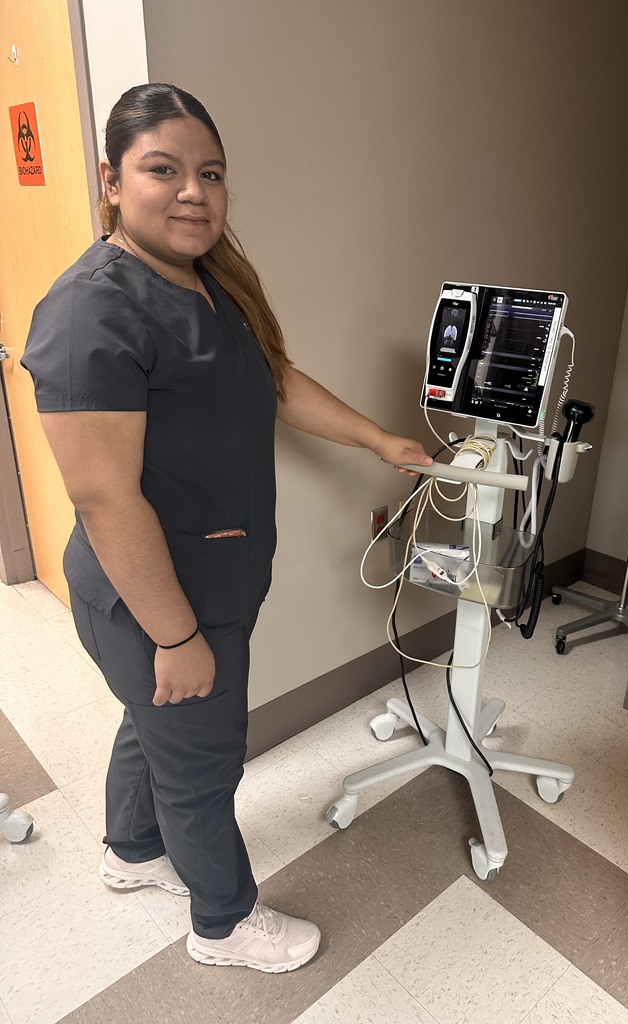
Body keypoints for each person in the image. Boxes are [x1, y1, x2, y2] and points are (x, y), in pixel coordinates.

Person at [21, 83, 432, 974]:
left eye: (210, 173)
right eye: (162, 169)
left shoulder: (207, 285)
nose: (193, 192)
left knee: (156, 723)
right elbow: (105, 500)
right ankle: (223, 924)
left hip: (212, 579)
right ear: (111, 180)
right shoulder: (91, 311)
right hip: (156, 597)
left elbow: (274, 380)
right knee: (202, 763)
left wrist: (377, 438)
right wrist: (175, 636)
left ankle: (133, 852)